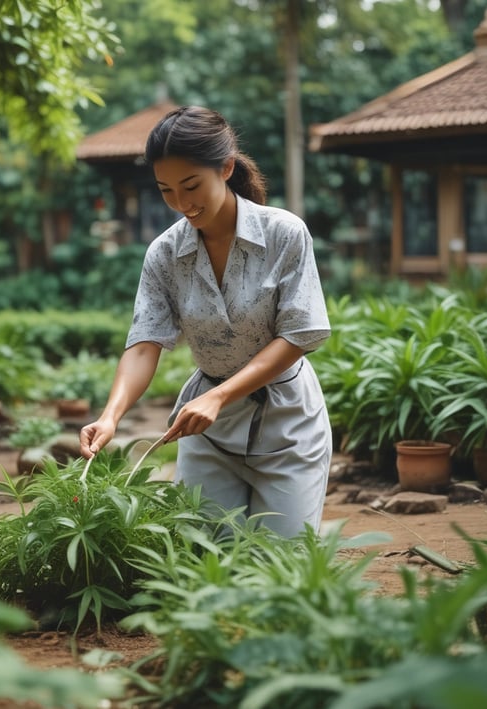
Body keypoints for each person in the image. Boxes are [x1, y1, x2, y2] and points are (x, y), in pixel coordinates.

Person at [80, 106, 332, 538]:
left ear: (227, 168)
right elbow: (145, 343)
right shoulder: (163, 254)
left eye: (192, 185)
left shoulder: (284, 234)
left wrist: (220, 397)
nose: (181, 203)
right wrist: (111, 416)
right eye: (166, 190)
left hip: (288, 427)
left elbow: (298, 334)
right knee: (203, 561)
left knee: (283, 566)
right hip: (207, 434)